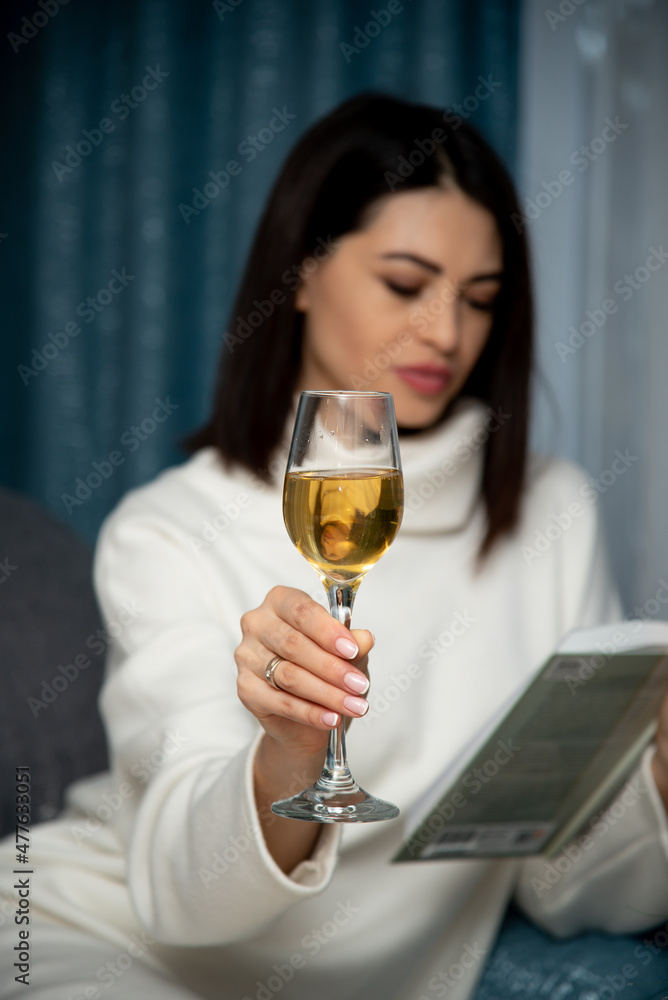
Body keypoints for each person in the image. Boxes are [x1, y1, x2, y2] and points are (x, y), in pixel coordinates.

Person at [2, 92, 668, 1000]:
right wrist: (287, 753)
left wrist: (657, 776)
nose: (446, 332)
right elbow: (177, 899)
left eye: (481, 299)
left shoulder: (553, 513)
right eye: (404, 284)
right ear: (304, 274)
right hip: (104, 942)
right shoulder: (168, 528)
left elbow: (556, 882)